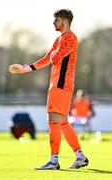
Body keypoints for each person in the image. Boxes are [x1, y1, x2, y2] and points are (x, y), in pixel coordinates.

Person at [9, 9, 89, 170]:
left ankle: (54, 161)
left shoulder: (70, 38)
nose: (54, 23)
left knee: (53, 121)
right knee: (64, 123)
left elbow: (55, 58)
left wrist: (54, 53)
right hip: (61, 85)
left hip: (60, 85)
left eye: (56, 20)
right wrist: (26, 68)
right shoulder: (60, 39)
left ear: (65, 22)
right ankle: (80, 156)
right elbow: (47, 58)